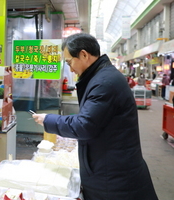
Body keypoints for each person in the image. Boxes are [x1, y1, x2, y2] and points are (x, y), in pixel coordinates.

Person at [32, 33, 158, 200]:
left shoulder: (105, 82)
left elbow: (84, 125)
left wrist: (48, 120)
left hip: (114, 180)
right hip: (110, 169)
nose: (70, 69)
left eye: (70, 62)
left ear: (84, 54)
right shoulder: (101, 77)